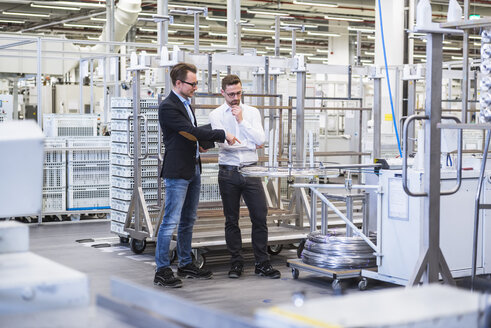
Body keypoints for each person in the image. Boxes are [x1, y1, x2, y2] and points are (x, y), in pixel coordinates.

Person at [155, 63, 239, 288]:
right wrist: (221, 134)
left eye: (196, 83)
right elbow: (189, 131)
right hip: (177, 171)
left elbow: (187, 135)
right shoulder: (168, 106)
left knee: (188, 220)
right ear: (178, 83)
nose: (195, 87)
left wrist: (203, 142)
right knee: (170, 221)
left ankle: (185, 263)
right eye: (192, 83)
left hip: (193, 167)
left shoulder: (185, 103)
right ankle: (162, 270)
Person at [209, 74, 281, 279]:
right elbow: (223, 144)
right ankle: (236, 263)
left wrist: (241, 122)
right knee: (231, 220)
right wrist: (250, 144)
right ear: (223, 93)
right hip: (228, 172)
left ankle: (262, 263)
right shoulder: (216, 115)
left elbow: (261, 139)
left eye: (238, 93)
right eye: (231, 94)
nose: (235, 98)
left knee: (260, 216)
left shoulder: (252, 112)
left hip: (251, 170)